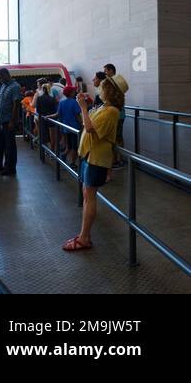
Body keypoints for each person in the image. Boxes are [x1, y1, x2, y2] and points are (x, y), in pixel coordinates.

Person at [65, 77, 124, 252]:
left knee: (89, 196)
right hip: (90, 156)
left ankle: (84, 237)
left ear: (109, 91)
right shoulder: (104, 107)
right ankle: (85, 235)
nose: (99, 90)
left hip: (96, 158)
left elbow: (90, 128)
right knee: (86, 195)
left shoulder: (112, 111)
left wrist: (83, 107)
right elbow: (87, 122)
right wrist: (86, 108)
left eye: (102, 88)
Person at [0, 68, 22, 176]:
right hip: (0, 120)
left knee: (10, 145)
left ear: (6, 75)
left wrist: (12, 121)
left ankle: (10, 168)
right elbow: (0, 103)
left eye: (0, 77)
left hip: (8, 121)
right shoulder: (4, 86)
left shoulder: (15, 87)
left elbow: (16, 105)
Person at [58, 86, 83, 166]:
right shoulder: (74, 102)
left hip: (66, 128)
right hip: (74, 128)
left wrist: (49, 116)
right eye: (73, 91)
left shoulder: (62, 103)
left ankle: (63, 155)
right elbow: (77, 116)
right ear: (71, 93)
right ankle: (72, 163)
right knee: (75, 147)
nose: (74, 92)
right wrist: (82, 125)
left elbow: (59, 114)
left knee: (68, 146)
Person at [35, 82, 58, 151]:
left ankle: (44, 150)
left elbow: (38, 110)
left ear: (43, 89)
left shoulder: (39, 98)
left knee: (43, 134)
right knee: (52, 136)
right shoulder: (52, 98)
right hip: (51, 118)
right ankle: (52, 150)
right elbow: (55, 109)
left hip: (42, 118)